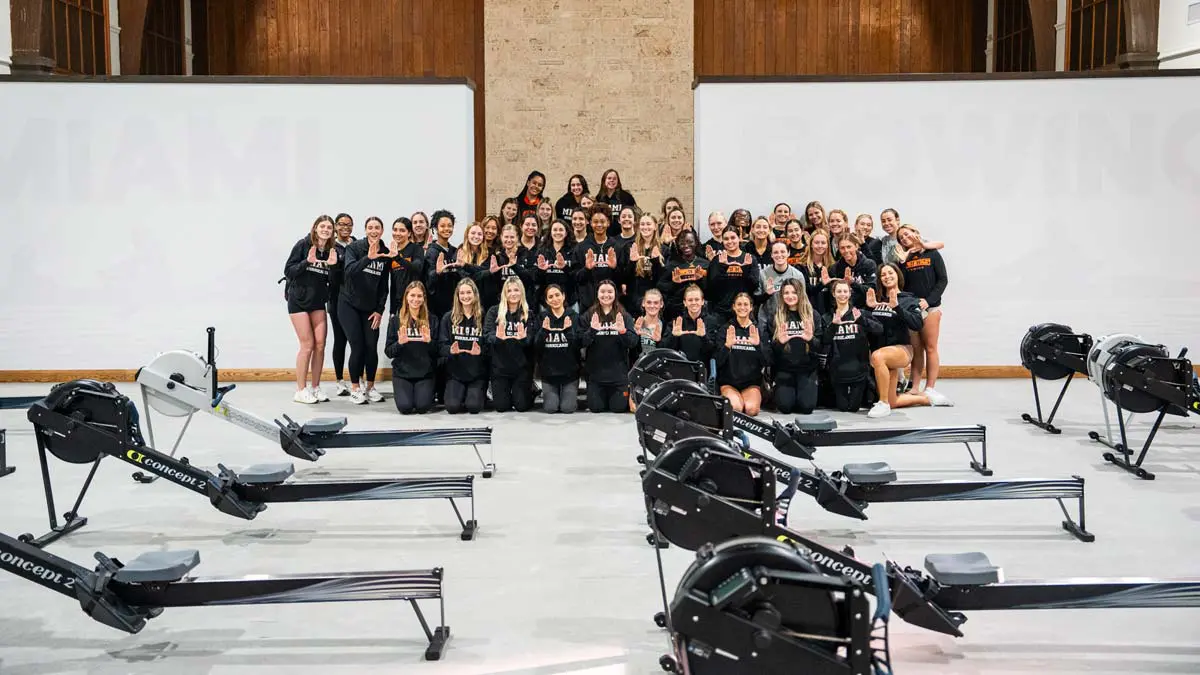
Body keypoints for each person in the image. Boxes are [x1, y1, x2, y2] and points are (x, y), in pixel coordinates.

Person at [864, 264, 942, 418]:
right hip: (882, 354)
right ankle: (926, 399)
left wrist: (897, 307)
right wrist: (870, 308)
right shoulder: (878, 301)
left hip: (901, 349)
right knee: (893, 401)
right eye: (883, 275)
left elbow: (917, 324)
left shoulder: (909, 299)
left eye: (890, 273)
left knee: (878, 356)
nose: (887, 276)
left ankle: (883, 404)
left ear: (897, 275)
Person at [284, 215, 337, 404]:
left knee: (320, 344)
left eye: (329, 227)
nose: (325, 230)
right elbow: (288, 271)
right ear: (315, 228)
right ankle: (300, 389)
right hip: (298, 301)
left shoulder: (332, 250)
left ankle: (315, 387)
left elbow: (334, 280)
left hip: (318, 302)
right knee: (307, 345)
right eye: (322, 226)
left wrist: (334, 268)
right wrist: (307, 261)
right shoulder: (303, 244)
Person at [339, 216, 390, 404]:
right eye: (370, 227)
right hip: (348, 304)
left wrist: (379, 310)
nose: (374, 231)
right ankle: (355, 387)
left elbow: (384, 285)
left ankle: (370, 386)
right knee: (357, 346)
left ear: (382, 231)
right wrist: (368, 258)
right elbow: (350, 271)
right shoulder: (354, 248)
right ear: (366, 230)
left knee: (371, 346)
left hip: (370, 308)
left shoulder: (385, 253)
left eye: (377, 227)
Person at [897, 225, 951, 405]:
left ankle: (930, 387)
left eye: (906, 234)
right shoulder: (904, 258)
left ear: (915, 233)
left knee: (931, 348)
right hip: (912, 309)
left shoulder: (932, 253)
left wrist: (929, 301)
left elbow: (943, 280)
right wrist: (903, 262)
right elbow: (901, 284)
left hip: (930, 308)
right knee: (916, 349)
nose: (904, 238)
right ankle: (915, 386)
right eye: (901, 238)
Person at [764, 279, 824, 414]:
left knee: (807, 408)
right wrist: (780, 342)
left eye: (794, 292)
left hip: (807, 370)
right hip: (784, 370)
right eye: (786, 293)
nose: (790, 296)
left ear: (800, 294)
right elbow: (771, 352)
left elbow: (820, 347)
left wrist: (810, 340)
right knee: (785, 408)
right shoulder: (775, 316)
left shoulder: (813, 315)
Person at [579, 279, 638, 412]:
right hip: (595, 375)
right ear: (597, 294)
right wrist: (592, 331)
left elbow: (633, 342)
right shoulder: (588, 315)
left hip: (618, 376)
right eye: (603, 292)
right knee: (596, 408)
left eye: (610, 292)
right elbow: (580, 342)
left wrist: (623, 331)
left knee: (618, 408)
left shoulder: (624, 315)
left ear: (615, 294)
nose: (606, 295)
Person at [825, 279, 882, 412]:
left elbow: (879, 329)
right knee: (843, 408)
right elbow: (825, 340)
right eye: (839, 291)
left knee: (854, 408)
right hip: (838, 371)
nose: (842, 294)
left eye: (845, 291)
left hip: (859, 369)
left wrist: (862, 321)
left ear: (850, 294)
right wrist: (833, 326)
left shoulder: (860, 313)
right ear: (833, 294)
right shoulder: (828, 317)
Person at [385, 281, 438, 414]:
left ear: (424, 298)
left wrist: (429, 342)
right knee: (405, 407)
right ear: (406, 297)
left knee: (422, 407)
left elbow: (438, 351)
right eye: (412, 295)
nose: (416, 299)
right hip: (402, 374)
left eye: (419, 296)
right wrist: (400, 343)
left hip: (425, 374)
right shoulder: (395, 321)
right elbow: (389, 352)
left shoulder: (432, 320)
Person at [485, 276, 535, 412]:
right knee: (501, 407)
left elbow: (531, 340)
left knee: (521, 407)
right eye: (509, 291)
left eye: (516, 290)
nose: (513, 294)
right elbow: (487, 336)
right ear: (504, 294)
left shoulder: (528, 314)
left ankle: (531, 389)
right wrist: (498, 338)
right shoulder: (494, 312)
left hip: (521, 369)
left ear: (522, 292)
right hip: (500, 369)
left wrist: (524, 339)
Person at [439, 278, 488, 414]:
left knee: (474, 407)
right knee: (452, 407)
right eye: (462, 293)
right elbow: (440, 346)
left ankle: (478, 393)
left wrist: (481, 351)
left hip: (477, 374)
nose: (465, 296)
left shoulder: (483, 316)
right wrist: (450, 350)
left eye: (468, 292)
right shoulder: (448, 318)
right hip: (455, 373)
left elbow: (490, 347)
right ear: (457, 296)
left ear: (475, 294)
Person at [714, 293, 769, 416]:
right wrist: (727, 346)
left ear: (751, 308)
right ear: (733, 307)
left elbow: (767, 361)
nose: (742, 307)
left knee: (751, 410)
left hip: (751, 383)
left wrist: (758, 346)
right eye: (739, 304)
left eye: (746, 304)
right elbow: (717, 361)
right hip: (729, 382)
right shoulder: (726, 329)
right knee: (736, 408)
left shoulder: (758, 330)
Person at [534, 284, 581, 414]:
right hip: (549, 374)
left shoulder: (574, 317)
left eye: (557, 295)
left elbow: (579, 345)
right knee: (551, 408)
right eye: (550, 297)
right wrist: (543, 331)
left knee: (568, 408)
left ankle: (568, 393)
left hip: (570, 374)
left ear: (563, 296)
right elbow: (536, 346)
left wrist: (569, 331)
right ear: (547, 301)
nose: (554, 299)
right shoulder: (542, 317)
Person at [705, 228, 759, 324]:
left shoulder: (750, 259)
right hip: (721, 312)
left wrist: (745, 269)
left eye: (733, 237)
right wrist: (723, 267)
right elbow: (710, 288)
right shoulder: (717, 260)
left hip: (743, 311)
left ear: (739, 238)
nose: (730, 241)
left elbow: (754, 286)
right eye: (726, 239)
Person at [328, 213, 356, 396]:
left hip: (355, 299)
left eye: (349, 224)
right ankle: (339, 380)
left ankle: (357, 377)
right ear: (336, 227)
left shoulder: (358, 245)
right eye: (341, 224)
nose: (345, 227)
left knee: (357, 341)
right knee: (340, 340)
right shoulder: (331, 246)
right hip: (336, 298)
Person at [574, 209, 621, 310]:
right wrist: (586, 269)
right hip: (588, 305)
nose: (599, 224)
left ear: (608, 223)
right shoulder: (581, 247)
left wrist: (614, 268)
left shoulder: (617, 246)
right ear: (590, 223)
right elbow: (576, 278)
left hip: (611, 304)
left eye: (602, 221)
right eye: (595, 221)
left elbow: (622, 279)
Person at [657, 230, 708, 321]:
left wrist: (700, 280)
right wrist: (675, 283)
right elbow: (661, 286)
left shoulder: (705, 264)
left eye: (690, 242)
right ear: (678, 245)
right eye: (682, 243)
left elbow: (711, 289)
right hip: (677, 310)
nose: (686, 246)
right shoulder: (672, 264)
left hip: (700, 311)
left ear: (696, 242)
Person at [663, 284, 715, 367]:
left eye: (697, 299)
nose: (694, 303)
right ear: (685, 302)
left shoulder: (712, 322)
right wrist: (674, 336)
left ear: (702, 301)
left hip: (703, 370)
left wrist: (704, 337)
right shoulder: (676, 322)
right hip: (680, 369)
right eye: (690, 300)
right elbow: (666, 350)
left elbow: (713, 352)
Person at [625, 213, 665, 315]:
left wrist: (656, 262)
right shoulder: (630, 247)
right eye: (642, 224)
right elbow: (625, 278)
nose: (645, 227)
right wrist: (632, 262)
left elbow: (663, 280)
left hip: (654, 303)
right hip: (634, 302)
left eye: (648, 224)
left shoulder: (664, 249)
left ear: (655, 226)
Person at [386, 217, 426, 315]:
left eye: (402, 230)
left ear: (409, 233)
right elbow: (394, 283)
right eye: (395, 230)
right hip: (399, 304)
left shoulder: (416, 249)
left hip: (415, 302)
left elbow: (417, 269)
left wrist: (397, 258)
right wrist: (392, 310)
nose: (397, 233)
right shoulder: (392, 253)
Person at [757, 240, 805, 320]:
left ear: (788, 253)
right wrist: (767, 294)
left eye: (782, 252)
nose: (779, 255)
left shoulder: (797, 275)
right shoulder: (763, 274)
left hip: (790, 319)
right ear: (771, 255)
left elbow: (802, 301)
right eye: (775, 252)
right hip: (768, 318)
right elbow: (756, 300)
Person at [536, 219, 577, 310]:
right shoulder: (542, 250)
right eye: (555, 230)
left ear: (566, 233)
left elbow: (577, 278)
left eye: (561, 230)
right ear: (550, 232)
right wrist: (541, 270)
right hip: (546, 302)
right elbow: (537, 279)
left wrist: (565, 268)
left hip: (569, 301)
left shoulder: (574, 250)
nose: (558, 232)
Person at [830, 234, 878, 309]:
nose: (846, 251)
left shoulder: (869, 264)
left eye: (849, 247)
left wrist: (853, 283)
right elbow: (834, 294)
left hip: (866, 309)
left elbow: (872, 289)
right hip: (844, 310)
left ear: (856, 246)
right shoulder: (835, 268)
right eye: (842, 248)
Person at [595, 168, 637, 234]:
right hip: (605, 234)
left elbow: (635, 215)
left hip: (623, 234)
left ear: (618, 181)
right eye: (609, 178)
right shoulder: (599, 198)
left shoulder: (626, 196)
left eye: (614, 179)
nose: (612, 180)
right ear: (604, 181)